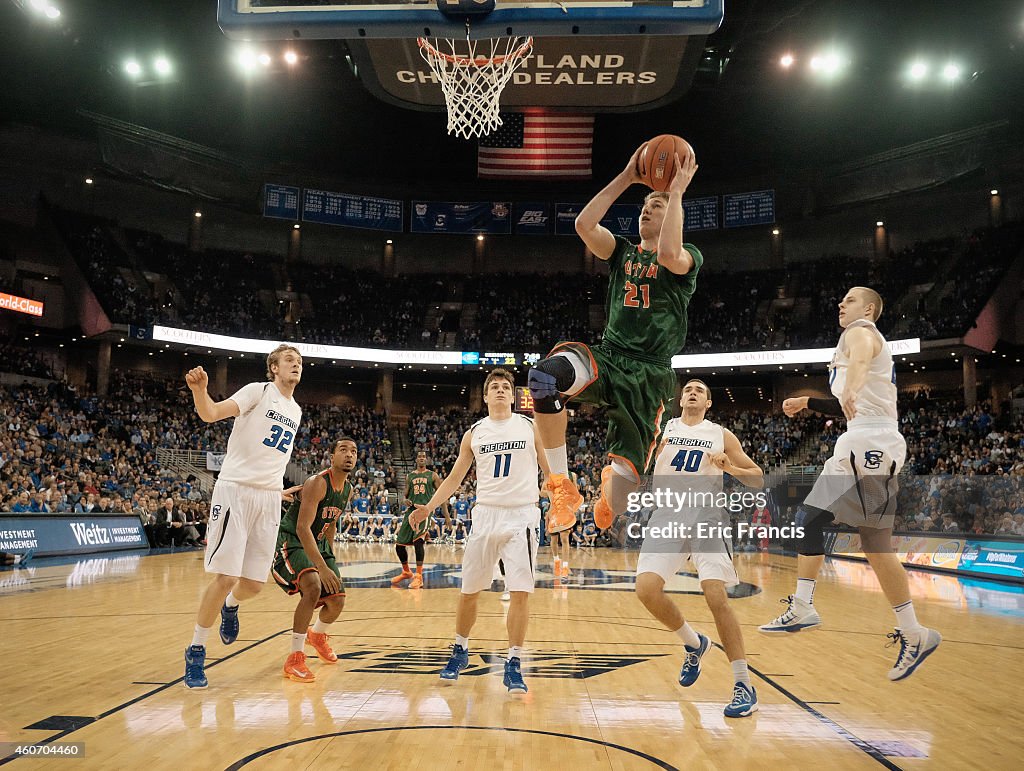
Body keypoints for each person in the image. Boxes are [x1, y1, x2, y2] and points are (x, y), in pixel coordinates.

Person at [759, 287, 942, 681]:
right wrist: (809, 402)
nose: (841, 304)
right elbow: (850, 402)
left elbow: (858, 367)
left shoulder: (860, 332)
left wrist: (854, 385)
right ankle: (804, 606)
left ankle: (914, 632)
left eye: (850, 299)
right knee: (808, 521)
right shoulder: (852, 341)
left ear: (870, 309)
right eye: (841, 299)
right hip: (856, 440)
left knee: (875, 543)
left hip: (875, 443)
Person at [529, 146, 702, 532]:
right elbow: (584, 225)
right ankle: (562, 486)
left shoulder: (687, 257)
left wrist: (675, 192)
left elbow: (671, 252)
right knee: (543, 377)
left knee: (620, 501)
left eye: (655, 207)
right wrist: (627, 175)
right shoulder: (622, 252)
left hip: (649, 376)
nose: (646, 210)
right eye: (644, 206)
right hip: (608, 357)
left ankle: (611, 493)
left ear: (673, 213)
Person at [411, 368, 552, 694]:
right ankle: (460, 649)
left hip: (523, 516)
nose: (501, 390)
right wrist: (428, 507)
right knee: (469, 590)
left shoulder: (531, 426)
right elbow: (454, 478)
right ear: (486, 396)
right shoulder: (474, 433)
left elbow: (550, 470)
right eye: (495, 387)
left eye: (506, 387)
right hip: (485, 515)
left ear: (513, 395)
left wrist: (555, 491)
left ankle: (514, 661)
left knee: (520, 591)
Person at [635, 379, 764, 717]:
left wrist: (729, 467)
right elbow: (636, 466)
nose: (692, 392)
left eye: (700, 391)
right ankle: (695, 643)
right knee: (646, 589)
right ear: (681, 399)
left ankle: (743, 685)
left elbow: (758, 476)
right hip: (666, 514)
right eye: (688, 389)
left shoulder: (721, 434)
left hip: (707, 514)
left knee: (714, 595)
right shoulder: (662, 429)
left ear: (708, 403)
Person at [182, 343, 304, 689]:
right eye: (289, 361)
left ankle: (231, 607)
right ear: (274, 368)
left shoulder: (295, 410)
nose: (296, 365)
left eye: (299, 362)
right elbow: (210, 414)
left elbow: (270, 456)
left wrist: (273, 491)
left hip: (267, 498)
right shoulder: (258, 391)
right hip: (235, 491)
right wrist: (200, 391)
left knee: (252, 584)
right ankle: (195, 651)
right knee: (225, 578)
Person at [272, 438, 355, 682]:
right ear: (332, 457)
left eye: (353, 451)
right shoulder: (317, 483)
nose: (349, 455)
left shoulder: (347, 489)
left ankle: (317, 635)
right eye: (343, 450)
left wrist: (329, 560)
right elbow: (302, 527)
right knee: (313, 586)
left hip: (316, 543)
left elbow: (330, 524)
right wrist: (321, 568)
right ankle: (295, 657)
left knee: (337, 601)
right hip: (292, 540)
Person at [393, 452, 450, 589]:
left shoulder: (433, 475)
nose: (421, 458)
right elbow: (404, 496)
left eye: (424, 456)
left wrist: (446, 516)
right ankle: (406, 572)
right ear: (416, 459)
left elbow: (442, 495)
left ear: (427, 459)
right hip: (410, 512)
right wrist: (404, 500)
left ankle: (419, 577)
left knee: (418, 541)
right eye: (419, 456)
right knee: (399, 545)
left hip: (425, 511)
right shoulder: (410, 476)